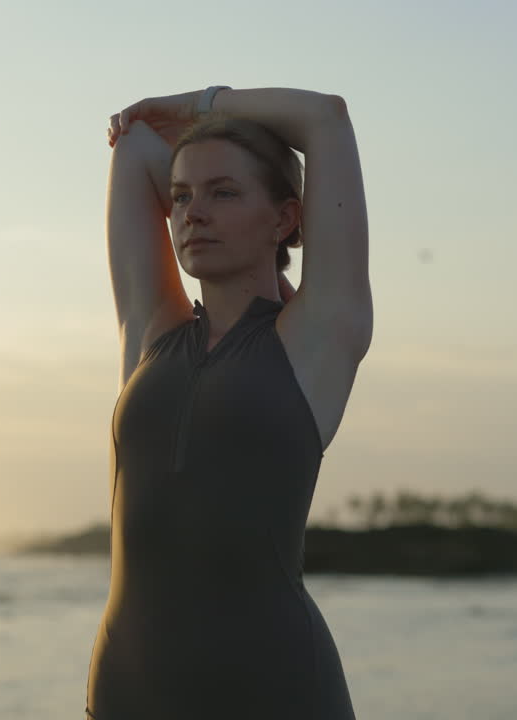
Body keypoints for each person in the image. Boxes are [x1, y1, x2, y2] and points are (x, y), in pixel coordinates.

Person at [85, 86, 371, 719]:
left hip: (277, 694)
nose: (193, 214)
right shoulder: (151, 334)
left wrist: (200, 107)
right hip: (128, 696)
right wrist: (206, 157)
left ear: (287, 219)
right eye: (182, 197)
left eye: (224, 193)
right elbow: (134, 147)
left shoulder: (317, 338)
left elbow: (325, 118)